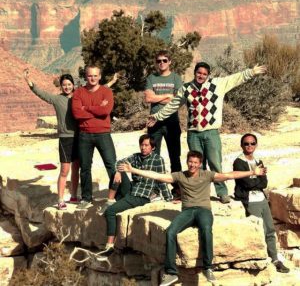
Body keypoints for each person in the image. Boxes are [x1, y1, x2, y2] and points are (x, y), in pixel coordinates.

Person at [117, 150, 267, 285]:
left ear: (200, 164)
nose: (192, 165)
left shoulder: (207, 174)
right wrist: (133, 169)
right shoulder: (180, 175)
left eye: (195, 163)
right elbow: (158, 176)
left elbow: (229, 175)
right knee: (170, 232)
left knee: (206, 230)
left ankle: (208, 268)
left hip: (203, 210)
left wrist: (252, 171)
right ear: (187, 162)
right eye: (190, 162)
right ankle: (171, 273)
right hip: (187, 211)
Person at [148, 62, 267, 204]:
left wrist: (251, 72)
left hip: (211, 133)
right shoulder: (186, 88)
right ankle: (201, 193)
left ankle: (222, 192)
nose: (201, 76)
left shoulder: (217, 84)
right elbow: (173, 105)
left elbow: (236, 78)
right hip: (194, 134)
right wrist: (157, 116)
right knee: (197, 165)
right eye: (199, 73)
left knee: (215, 163)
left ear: (208, 75)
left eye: (204, 74)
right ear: (195, 73)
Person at [96, 134, 173, 258]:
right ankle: (110, 201)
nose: (143, 148)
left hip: (142, 195)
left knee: (110, 212)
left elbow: (161, 180)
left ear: (152, 147)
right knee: (115, 172)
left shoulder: (158, 159)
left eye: (146, 145)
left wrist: (169, 198)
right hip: (132, 189)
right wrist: (118, 171)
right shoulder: (136, 157)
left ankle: (109, 246)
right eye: (142, 145)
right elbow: (119, 162)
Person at [233, 133, 290, 273]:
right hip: (250, 200)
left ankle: (275, 258)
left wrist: (256, 179)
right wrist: (256, 178)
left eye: (252, 143)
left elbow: (264, 183)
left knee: (270, 229)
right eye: (246, 143)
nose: (249, 146)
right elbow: (246, 183)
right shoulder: (238, 162)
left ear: (256, 145)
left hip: (262, 199)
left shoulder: (258, 160)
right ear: (242, 145)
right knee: (259, 231)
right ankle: (261, 257)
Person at [24, 69, 79, 210]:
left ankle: (74, 196)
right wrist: (29, 82)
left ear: (73, 84)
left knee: (76, 169)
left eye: (69, 84)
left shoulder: (79, 97)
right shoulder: (56, 99)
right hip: (65, 138)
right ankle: (60, 199)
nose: (67, 87)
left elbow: (93, 94)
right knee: (64, 170)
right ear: (61, 86)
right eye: (64, 85)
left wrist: (111, 82)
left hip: (79, 137)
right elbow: (42, 94)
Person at [72, 65, 117, 209]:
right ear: (86, 76)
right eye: (90, 75)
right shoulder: (79, 92)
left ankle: (118, 195)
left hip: (103, 133)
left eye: (95, 75)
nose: (92, 78)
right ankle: (86, 198)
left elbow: (106, 111)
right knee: (85, 167)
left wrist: (87, 108)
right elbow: (77, 114)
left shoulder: (106, 91)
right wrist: (97, 107)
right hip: (84, 134)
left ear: (100, 76)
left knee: (111, 165)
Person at [144, 50, 182, 198]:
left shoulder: (176, 78)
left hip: (172, 122)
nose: (161, 63)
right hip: (154, 123)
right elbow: (148, 98)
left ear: (170, 62)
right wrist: (167, 95)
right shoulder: (151, 78)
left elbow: (177, 101)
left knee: (175, 156)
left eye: (164, 60)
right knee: (153, 156)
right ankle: (155, 189)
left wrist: (156, 97)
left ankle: (177, 188)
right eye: (159, 61)